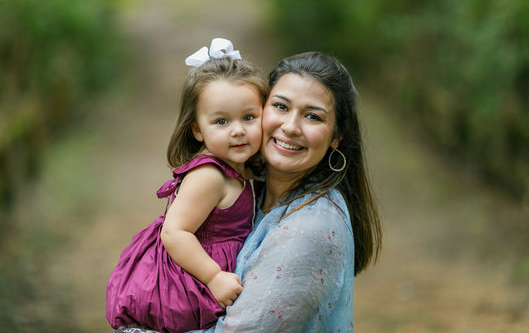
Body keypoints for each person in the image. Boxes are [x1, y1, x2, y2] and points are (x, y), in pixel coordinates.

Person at [119, 51, 382, 333]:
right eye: (281, 107)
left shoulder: (312, 228)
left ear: (336, 137)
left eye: (312, 116)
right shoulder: (246, 183)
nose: (290, 127)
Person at [106, 38, 269, 332]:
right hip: (182, 282)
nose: (238, 131)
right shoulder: (210, 175)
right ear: (197, 130)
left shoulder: (242, 170)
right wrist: (213, 277)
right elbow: (174, 231)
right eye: (221, 121)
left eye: (249, 117)